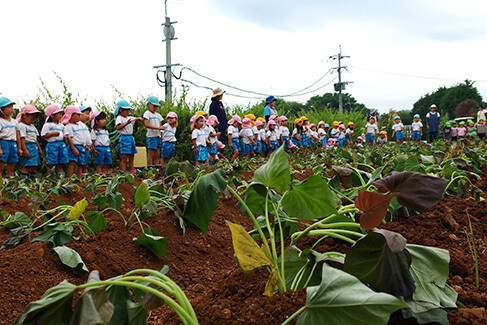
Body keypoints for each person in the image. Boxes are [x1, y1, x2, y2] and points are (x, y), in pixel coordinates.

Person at [62, 106, 90, 179]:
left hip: (81, 147)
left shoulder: (79, 126)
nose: (79, 117)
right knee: (72, 163)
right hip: (74, 146)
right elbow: (70, 139)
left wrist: (85, 145)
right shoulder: (69, 126)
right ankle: (70, 178)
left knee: (80, 163)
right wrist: (73, 149)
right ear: (71, 116)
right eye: (78, 115)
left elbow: (82, 137)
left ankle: (78, 178)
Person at [115, 100, 143, 173]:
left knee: (131, 156)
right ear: (121, 110)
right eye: (126, 110)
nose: (128, 111)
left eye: (128, 110)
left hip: (131, 138)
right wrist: (127, 123)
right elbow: (118, 127)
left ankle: (131, 169)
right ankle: (122, 170)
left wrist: (138, 119)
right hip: (124, 138)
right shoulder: (119, 118)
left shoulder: (130, 117)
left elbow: (137, 119)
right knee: (124, 157)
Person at [41, 104, 68, 178]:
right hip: (52, 144)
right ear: (52, 115)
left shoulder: (61, 126)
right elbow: (43, 135)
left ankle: (61, 177)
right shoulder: (47, 125)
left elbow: (65, 134)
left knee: (61, 161)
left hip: (61, 144)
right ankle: (49, 177)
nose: (60, 115)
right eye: (58, 114)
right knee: (51, 162)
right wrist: (52, 134)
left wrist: (65, 137)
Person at [17, 105, 42, 179]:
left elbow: (35, 139)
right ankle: (24, 181)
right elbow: (22, 138)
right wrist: (24, 149)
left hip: (34, 147)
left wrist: (39, 149)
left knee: (34, 166)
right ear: (24, 116)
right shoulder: (22, 126)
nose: (33, 120)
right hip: (27, 146)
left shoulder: (32, 126)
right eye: (31, 117)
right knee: (27, 165)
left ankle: (33, 182)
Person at [0, 97, 21, 178]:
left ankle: (10, 181)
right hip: (3, 143)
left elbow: (17, 135)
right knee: (1, 164)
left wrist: (19, 148)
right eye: (9, 107)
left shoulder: (14, 122)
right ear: (1, 109)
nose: (12, 109)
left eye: (12, 107)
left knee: (11, 163)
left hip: (13, 143)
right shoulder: (0, 121)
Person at [143, 96, 164, 169]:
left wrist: (161, 134)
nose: (155, 108)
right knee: (151, 153)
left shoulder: (158, 115)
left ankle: (157, 167)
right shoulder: (147, 113)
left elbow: (160, 126)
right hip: (151, 136)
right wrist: (158, 128)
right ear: (149, 104)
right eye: (154, 106)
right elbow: (146, 124)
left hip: (158, 136)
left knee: (157, 153)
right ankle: (149, 167)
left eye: (156, 106)